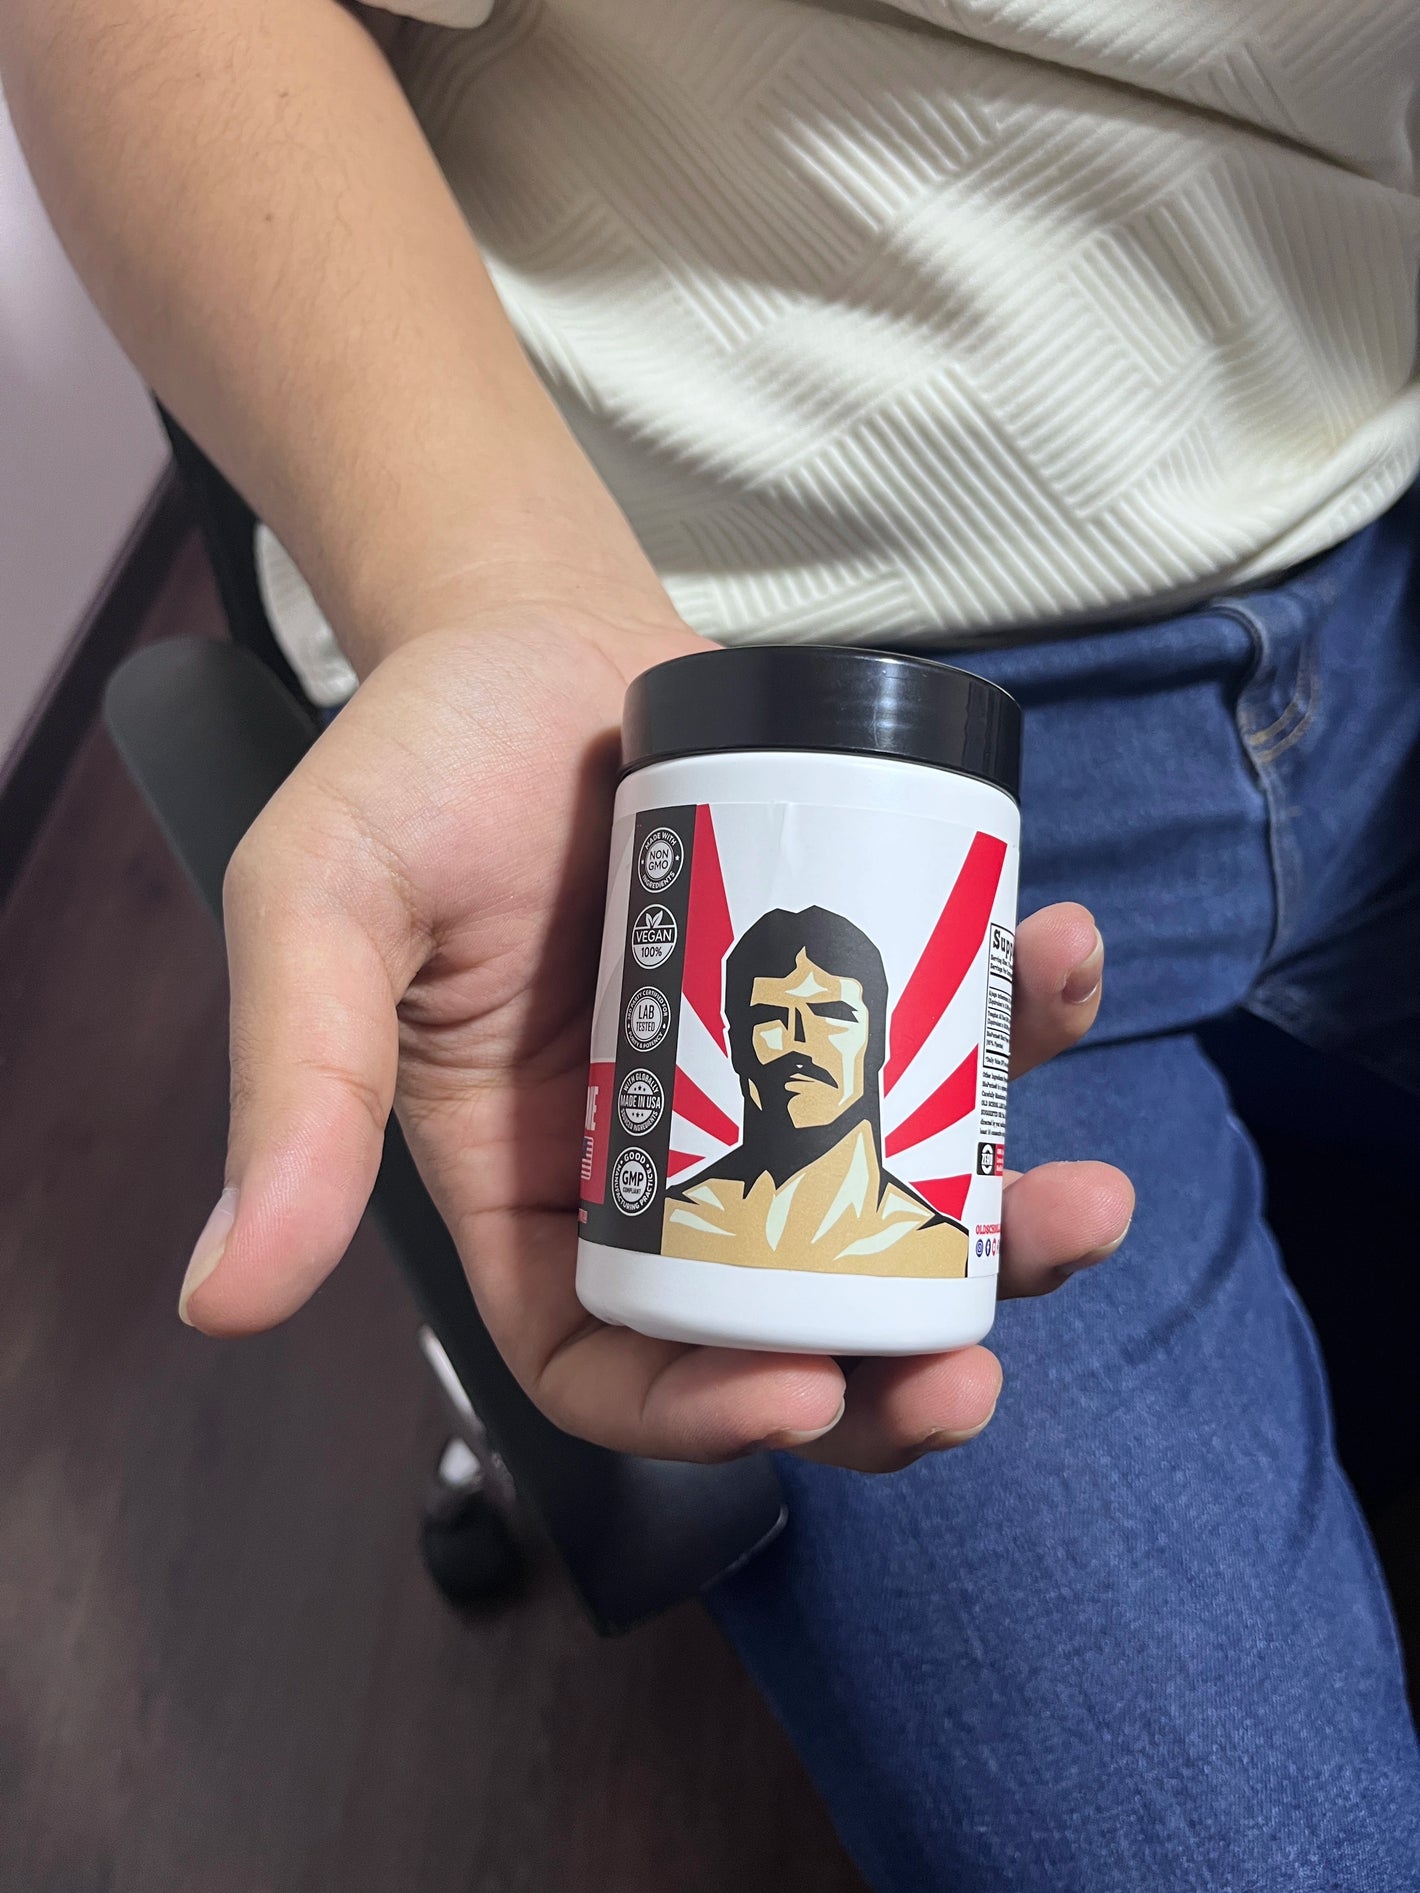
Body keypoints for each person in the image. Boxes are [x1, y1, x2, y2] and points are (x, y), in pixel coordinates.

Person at [4, 2, 1416, 1885]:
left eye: (838, 1012)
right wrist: (488, 588)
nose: (806, 1037)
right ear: (735, 1027)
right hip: (706, 661)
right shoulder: (759, 1164)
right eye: (781, 1010)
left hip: (1377, 524)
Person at [665, 905, 971, 1274]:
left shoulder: (941, 1249)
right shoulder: (673, 1224)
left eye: (832, 1013)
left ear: (877, 1040)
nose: (799, 1040)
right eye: (769, 1015)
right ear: (736, 1045)